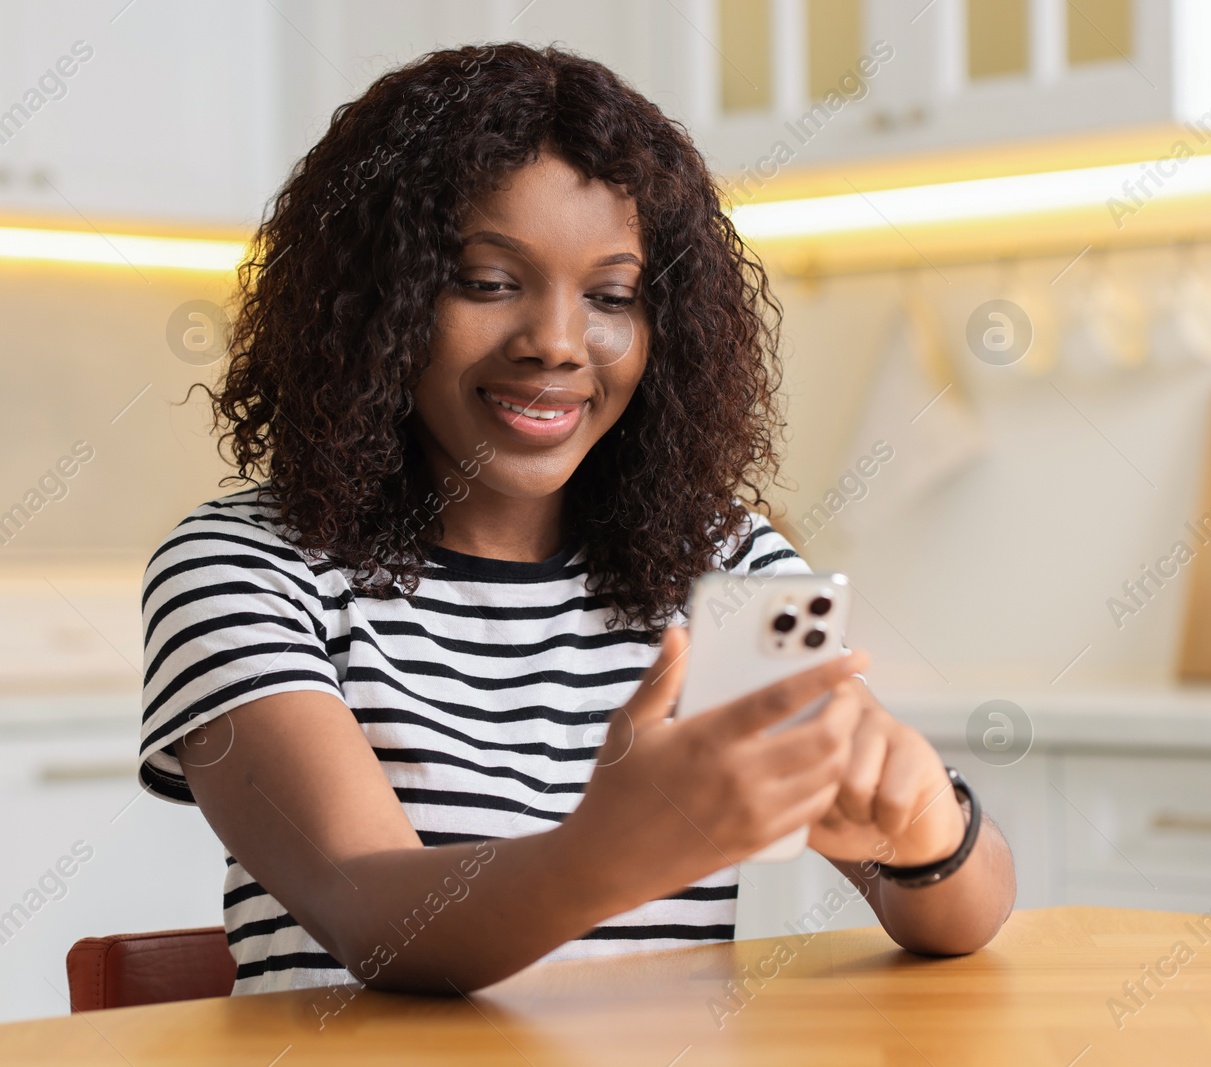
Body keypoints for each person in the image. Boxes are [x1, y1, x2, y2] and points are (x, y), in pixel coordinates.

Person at [138, 43, 1015, 997]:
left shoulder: (726, 566)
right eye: (486, 280)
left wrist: (925, 827)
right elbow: (371, 913)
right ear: (375, 301)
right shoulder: (242, 568)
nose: (557, 343)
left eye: (612, 297)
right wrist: (611, 850)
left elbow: (964, 913)